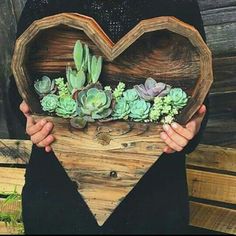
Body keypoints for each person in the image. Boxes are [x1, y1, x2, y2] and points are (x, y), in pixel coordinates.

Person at [9, 0, 208, 234]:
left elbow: (198, 84)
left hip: (151, 200)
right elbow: (19, 86)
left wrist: (191, 127)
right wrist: (30, 120)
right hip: (60, 195)